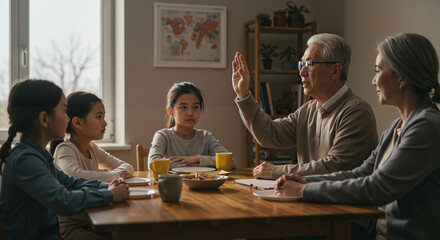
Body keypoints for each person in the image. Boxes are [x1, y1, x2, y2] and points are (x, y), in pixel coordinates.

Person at [274, 33, 440, 240]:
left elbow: (377, 187)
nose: (373, 81)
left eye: (378, 71)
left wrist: (304, 191)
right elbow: (360, 173)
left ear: (403, 77)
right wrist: (306, 180)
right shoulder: (395, 127)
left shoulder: (426, 126)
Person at [232, 33, 378, 179]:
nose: (302, 72)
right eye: (301, 65)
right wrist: (243, 95)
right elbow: (270, 135)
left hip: (342, 201)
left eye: (309, 65)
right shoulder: (308, 109)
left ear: (335, 71)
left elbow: (334, 167)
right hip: (308, 197)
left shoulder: (356, 112)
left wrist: (276, 171)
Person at [0, 79, 130, 240]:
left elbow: (70, 182)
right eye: (63, 111)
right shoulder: (25, 160)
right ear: (44, 119)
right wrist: (109, 195)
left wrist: (108, 185)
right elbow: (63, 200)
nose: (68, 119)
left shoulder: (39, 155)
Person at [51, 91, 134, 239]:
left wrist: (106, 175)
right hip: (70, 228)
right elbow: (76, 176)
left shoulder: (92, 148)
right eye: (98, 116)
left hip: (95, 220)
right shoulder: (65, 149)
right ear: (77, 123)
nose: (105, 122)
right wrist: (112, 176)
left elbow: (128, 167)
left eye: (104, 116)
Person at [148, 82, 236, 170]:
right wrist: (190, 162)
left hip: (202, 183)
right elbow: (153, 163)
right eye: (183, 107)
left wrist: (198, 159)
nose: (190, 113)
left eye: (195, 107)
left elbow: (231, 162)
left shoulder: (206, 137)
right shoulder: (163, 136)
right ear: (171, 111)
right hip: (173, 183)